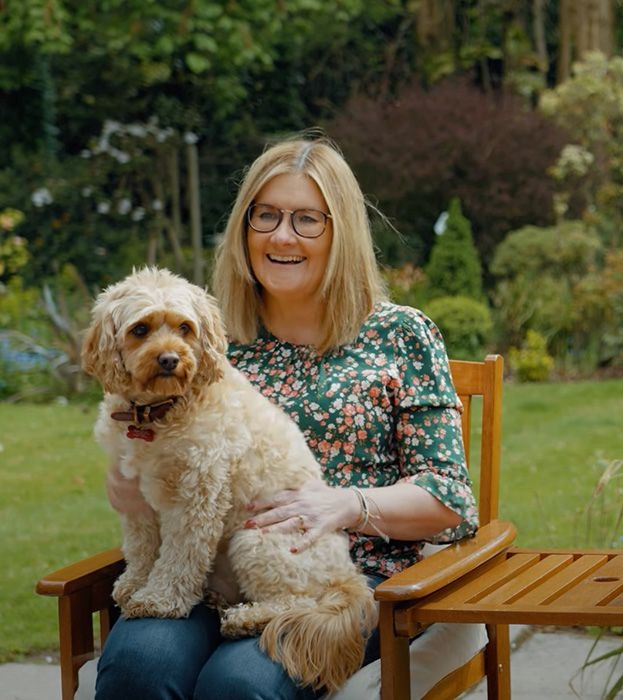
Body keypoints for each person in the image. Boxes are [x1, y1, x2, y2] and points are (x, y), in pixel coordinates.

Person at [97, 136, 480, 700]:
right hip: (204, 571)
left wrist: (345, 505)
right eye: (267, 216)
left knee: (238, 685)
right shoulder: (205, 339)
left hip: (341, 579)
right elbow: (148, 461)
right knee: (140, 667)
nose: (281, 236)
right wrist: (129, 481)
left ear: (340, 231)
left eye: (306, 220)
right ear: (245, 228)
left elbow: (451, 502)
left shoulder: (400, 335)